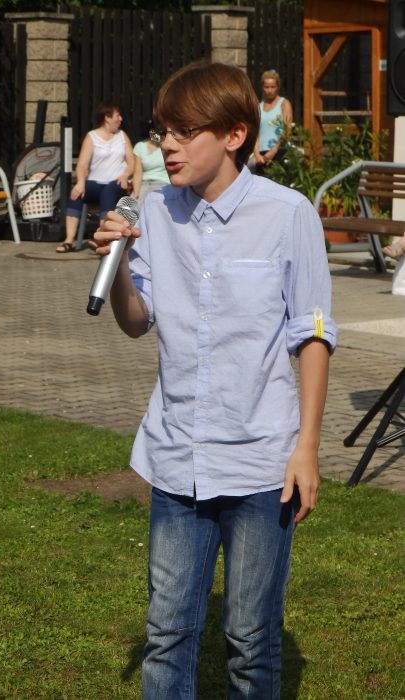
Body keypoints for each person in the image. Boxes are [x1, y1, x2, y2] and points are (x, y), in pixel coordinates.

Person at [93, 60, 336, 699]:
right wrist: (119, 262)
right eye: (161, 131)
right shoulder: (153, 211)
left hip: (261, 463)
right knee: (166, 634)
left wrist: (307, 447)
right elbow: (136, 321)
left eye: (184, 131)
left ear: (233, 135)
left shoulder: (288, 214)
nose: (166, 146)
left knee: (251, 643)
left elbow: (313, 334)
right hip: (178, 458)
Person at [56, 101, 133, 253]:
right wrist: (80, 183)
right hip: (96, 182)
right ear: (107, 118)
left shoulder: (122, 136)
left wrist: (125, 175)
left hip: (117, 182)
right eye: (117, 115)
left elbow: (131, 162)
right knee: (76, 193)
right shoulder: (92, 137)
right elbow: (82, 164)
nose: (120, 119)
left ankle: (101, 238)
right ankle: (69, 240)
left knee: (108, 192)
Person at [253, 69, 293, 177]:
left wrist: (273, 151)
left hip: (279, 152)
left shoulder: (284, 104)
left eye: (272, 87)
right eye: (266, 87)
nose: (269, 90)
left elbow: (287, 130)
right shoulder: (258, 107)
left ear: (278, 87)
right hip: (261, 156)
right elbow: (255, 133)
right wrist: (256, 154)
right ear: (262, 87)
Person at [132, 121, 170, 203]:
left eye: (160, 133)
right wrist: (136, 192)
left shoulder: (166, 147)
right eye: (154, 132)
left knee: (154, 203)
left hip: (162, 183)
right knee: (133, 204)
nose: (157, 135)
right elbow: (138, 172)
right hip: (144, 183)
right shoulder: (140, 146)